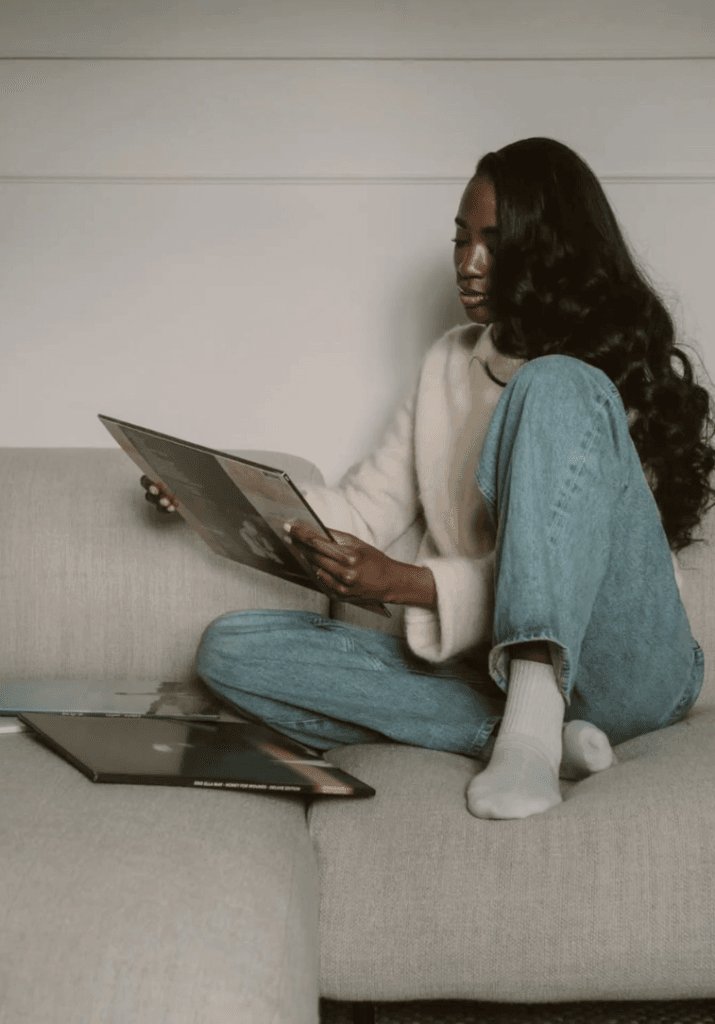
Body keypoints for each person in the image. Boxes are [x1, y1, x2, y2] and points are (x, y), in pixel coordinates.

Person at [144, 137, 714, 820]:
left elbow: (626, 578)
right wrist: (215, 492)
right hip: (486, 676)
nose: (468, 266)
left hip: (623, 667)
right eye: (459, 240)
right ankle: (530, 737)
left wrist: (408, 584)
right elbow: (361, 507)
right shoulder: (448, 362)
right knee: (233, 651)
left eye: (494, 244)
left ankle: (530, 730)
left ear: (550, 253)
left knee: (551, 380)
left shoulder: (598, 374)